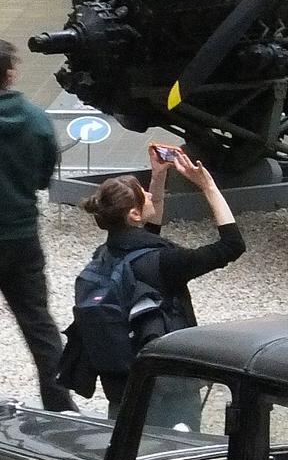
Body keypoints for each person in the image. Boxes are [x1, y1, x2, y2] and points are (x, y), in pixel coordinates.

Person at [59, 146, 246, 415]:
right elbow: (232, 245)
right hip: (169, 389)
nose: (150, 194)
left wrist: (159, 176)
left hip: (122, 384)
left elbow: (149, 230)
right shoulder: (165, 263)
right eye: (144, 193)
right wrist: (208, 187)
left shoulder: (104, 256)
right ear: (133, 214)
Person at [0, 41, 76, 412]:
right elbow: (45, 174)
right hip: (22, 237)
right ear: (10, 73)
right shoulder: (34, 118)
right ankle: (59, 404)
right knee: (39, 325)